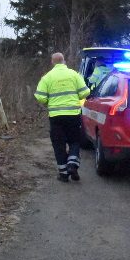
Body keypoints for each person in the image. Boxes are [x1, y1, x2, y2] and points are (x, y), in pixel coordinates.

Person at [34, 52, 90, 182]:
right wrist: (76, 98)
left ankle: (63, 174)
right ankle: (72, 165)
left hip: (55, 117)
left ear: (52, 63)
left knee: (58, 144)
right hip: (73, 115)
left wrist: (49, 102)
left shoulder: (47, 77)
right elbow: (86, 92)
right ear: (64, 61)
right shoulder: (74, 74)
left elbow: (40, 96)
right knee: (75, 141)